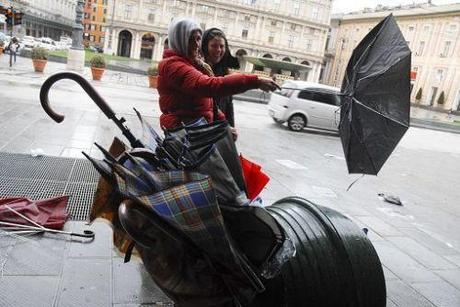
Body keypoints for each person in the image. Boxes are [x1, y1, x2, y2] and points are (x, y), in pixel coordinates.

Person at [157, 18, 279, 131]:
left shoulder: (194, 64)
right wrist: (255, 81)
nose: (196, 44)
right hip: (187, 135)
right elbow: (209, 87)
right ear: (178, 40)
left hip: (196, 131)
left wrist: (224, 125)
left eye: (198, 38)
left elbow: (210, 103)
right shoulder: (173, 65)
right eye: (190, 39)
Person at [201, 27, 240, 127]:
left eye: (222, 46)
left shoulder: (225, 72)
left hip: (220, 130)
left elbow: (229, 105)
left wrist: (231, 127)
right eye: (214, 46)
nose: (218, 50)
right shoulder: (198, 71)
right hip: (202, 131)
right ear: (205, 47)